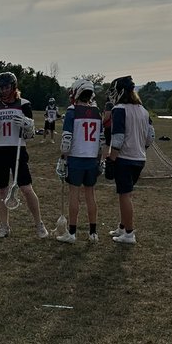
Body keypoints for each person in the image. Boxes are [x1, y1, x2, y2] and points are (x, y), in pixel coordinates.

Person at [0, 71, 49, 239]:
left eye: (6, 87)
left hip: (17, 149)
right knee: (2, 190)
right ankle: (4, 225)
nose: (4, 90)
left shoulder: (24, 104)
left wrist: (26, 125)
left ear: (13, 86)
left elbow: (30, 134)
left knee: (26, 188)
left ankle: (39, 224)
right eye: (1, 87)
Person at [106, 75, 154, 245]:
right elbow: (150, 137)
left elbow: (118, 138)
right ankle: (122, 226)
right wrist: (140, 147)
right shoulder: (143, 110)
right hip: (139, 158)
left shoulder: (119, 109)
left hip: (124, 158)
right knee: (124, 194)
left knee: (125, 195)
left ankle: (129, 233)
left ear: (120, 92)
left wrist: (112, 158)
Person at [56, 79, 103, 243]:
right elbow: (101, 141)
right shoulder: (97, 112)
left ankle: (72, 233)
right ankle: (93, 233)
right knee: (90, 195)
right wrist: (99, 159)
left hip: (76, 158)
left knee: (74, 195)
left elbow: (66, 139)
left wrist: (63, 157)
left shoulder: (72, 111)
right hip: (92, 159)